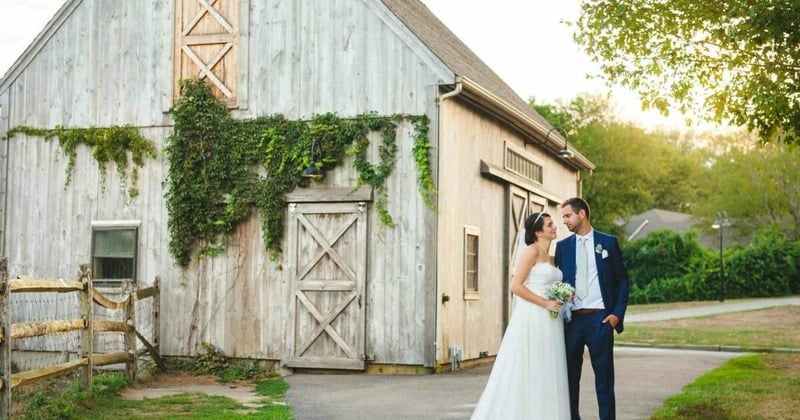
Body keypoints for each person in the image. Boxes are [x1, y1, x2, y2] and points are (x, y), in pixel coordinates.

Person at [471, 212, 571, 420]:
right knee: (531, 364)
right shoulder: (530, 252)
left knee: (548, 366)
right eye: (550, 224)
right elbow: (515, 286)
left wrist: (563, 294)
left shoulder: (552, 257)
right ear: (538, 232)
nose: (555, 227)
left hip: (551, 319)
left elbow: (551, 283)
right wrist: (545, 303)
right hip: (534, 315)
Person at [555, 197, 629, 420]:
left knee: (604, 379)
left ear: (582, 214)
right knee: (569, 379)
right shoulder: (562, 247)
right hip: (572, 322)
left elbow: (623, 280)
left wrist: (616, 314)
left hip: (600, 320)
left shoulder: (608, 243)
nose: (565, 221)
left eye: (567, 216)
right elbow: (557, 281)